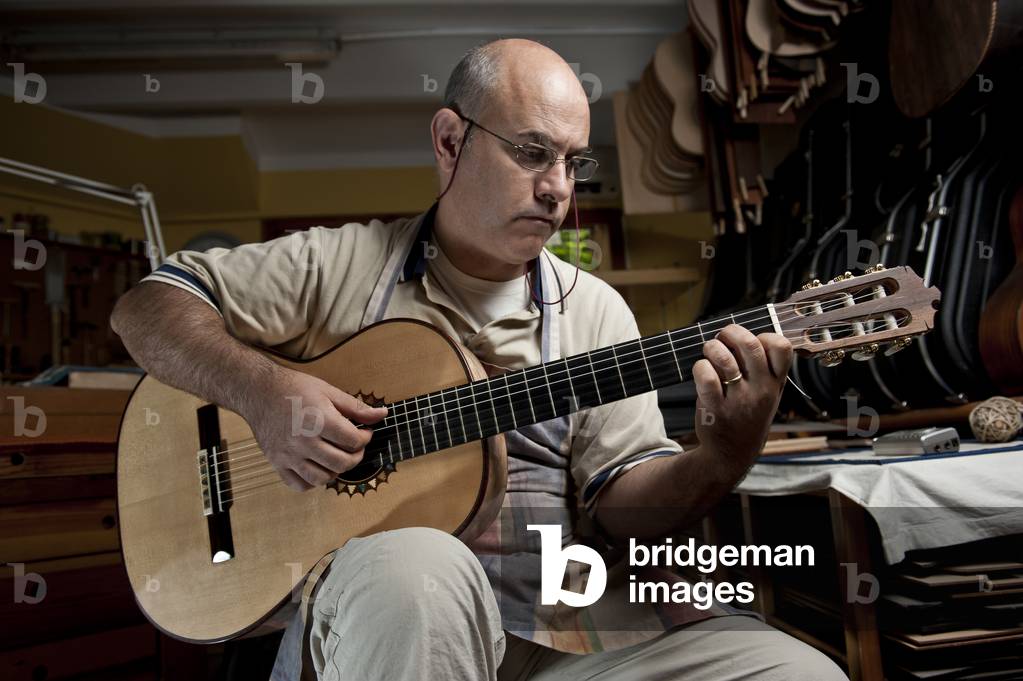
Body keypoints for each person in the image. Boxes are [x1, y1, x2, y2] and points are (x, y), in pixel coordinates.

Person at [111, 38, 847, 681]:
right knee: (422, 567)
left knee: (800, 671)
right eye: (532, 152)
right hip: (393, 623)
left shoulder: (597, 313)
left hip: (562, 638)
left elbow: (628, 514)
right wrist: (263, 392)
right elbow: (146, 306)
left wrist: (723, 455)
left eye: (573, 162)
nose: (558, 188)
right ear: (449, 141)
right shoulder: (336, 264)